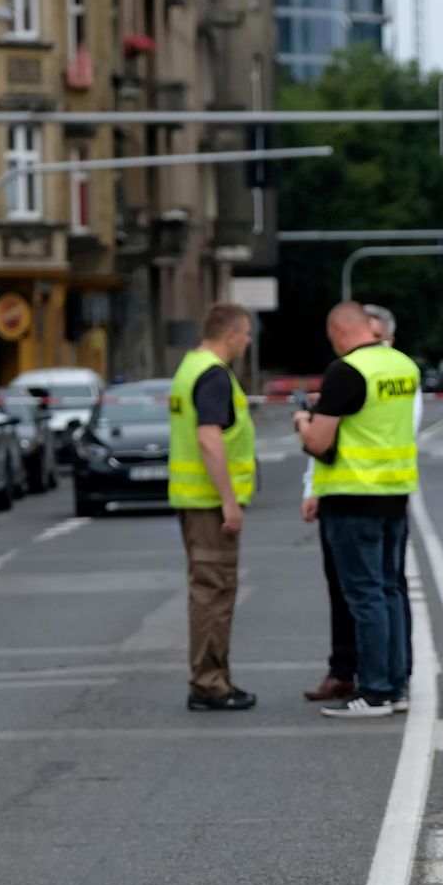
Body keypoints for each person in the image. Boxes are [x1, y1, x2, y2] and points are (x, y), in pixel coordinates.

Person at [294, 301, 422, 718]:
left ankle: (375, 690)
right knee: (390, 589)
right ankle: (397, 683)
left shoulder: (346, 371)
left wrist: (302, 421)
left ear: (337, 330)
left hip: (352, 495)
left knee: (364, 595)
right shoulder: (403, 366)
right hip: (395, 493)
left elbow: (318, 442)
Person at [168, 302, 257, 712]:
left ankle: (213, 678)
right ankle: (209, 683)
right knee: (213, 593)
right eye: (246, 333)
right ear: (231, 335)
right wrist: (228, 501)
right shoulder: (214, 376)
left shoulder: (189, 368)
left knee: (209, 590)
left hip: (194, 500)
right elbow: (209, 438)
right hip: (208, 503)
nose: (248, 341)